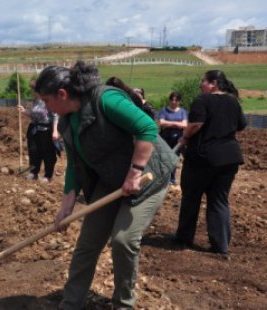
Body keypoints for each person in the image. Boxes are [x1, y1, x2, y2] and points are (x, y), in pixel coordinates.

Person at [34, 61, 177, 309]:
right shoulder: (68, 121)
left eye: (46, 101)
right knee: (87, 243)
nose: (46, 107)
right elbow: (74, 166)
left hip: (148, 175)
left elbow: (147, 128)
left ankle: (123, 303)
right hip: (111, 179)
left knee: (123, 239)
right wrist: (66, 206)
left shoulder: (105, 99)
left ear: (62, 94)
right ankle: (71, 303)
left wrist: (135, 172)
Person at [175, 70, 247, 255]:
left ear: (213, 83)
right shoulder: (233, 101)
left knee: (191, 197)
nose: (201, 85)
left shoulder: (202, 100)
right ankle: (221, 246)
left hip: (203, 157)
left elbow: (196, 124)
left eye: (203, 82)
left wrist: (185, 136)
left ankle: (184, 240)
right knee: (219, 200)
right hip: (229, 158)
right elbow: (241, 125)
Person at [18, 80, 59, 183]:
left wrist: (55, 131)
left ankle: (48, 175)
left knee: (48, 153)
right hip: (34, 129)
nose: (32, 92)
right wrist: (24, 111)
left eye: (33, 90)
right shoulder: (35, 101)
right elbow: (33, 115)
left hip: (46, 130)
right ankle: (33, 172)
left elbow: (55, 116)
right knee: (34, 151)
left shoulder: (48, 100)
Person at [158, 92, 188, 187]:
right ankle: (163, 178)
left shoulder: (183, 111)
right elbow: (161, 123)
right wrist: (177, 123)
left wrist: (169, 123)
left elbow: (184, 125)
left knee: (174, 157)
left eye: (176, 100)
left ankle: (171, 178)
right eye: (172, 99)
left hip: (177, 139)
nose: (174, 102)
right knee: (164, 157)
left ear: (179, 101)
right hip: (165, 137)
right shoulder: (164, 111)